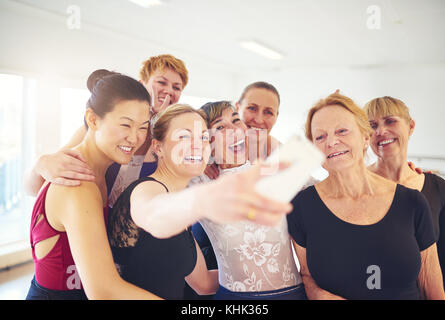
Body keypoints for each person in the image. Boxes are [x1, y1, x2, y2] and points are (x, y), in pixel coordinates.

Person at [107, 103, 293, 299]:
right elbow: (154, 215)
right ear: (158, 147)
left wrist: (271, 279)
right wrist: (205, 198)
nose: (198, 145)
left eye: (203, 137)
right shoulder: (148, 189)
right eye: (184, 137)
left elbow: (203, 284)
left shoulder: (181, 203)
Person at [287, 92, 445, 299]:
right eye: (320, 136)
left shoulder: (412, 202)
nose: (332, 142)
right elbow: (307, 275)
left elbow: (430, 283)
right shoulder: (301, 207)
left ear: (365, 137)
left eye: (342, 131)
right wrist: (318, 295)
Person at [26, 69, 162, 299]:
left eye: (142, 127)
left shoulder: (107, 170)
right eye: (125, 125)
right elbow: (103, 291)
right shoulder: (76, 181)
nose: (135, 137)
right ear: (92, 119)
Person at [23, 54, 189, 209]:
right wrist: (41, 163)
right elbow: (34, 188)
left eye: (176, 87)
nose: (169, 91)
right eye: (161, 82)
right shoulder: (99, 129)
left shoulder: (170, 139)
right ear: (141, 84)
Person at [185, 101, 306, 300]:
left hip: (294, 295)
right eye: (220, 126)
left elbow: (328, 190)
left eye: (236, 120)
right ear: (205, 139)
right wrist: (202, 159)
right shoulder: (198, 182)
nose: (234, 130)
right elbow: (163, 144)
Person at [364, 96, 445, 299]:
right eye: (372, 125)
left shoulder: (438, 188)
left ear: (410, 126)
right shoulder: (357, 186)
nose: (381, 131)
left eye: (390, 121)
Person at [205, 81, 282, 179]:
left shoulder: (284, 157)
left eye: (268, 112)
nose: (259, 120)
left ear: (276, 116)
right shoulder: (209, 153)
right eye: (252, 108)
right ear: (237, 107)